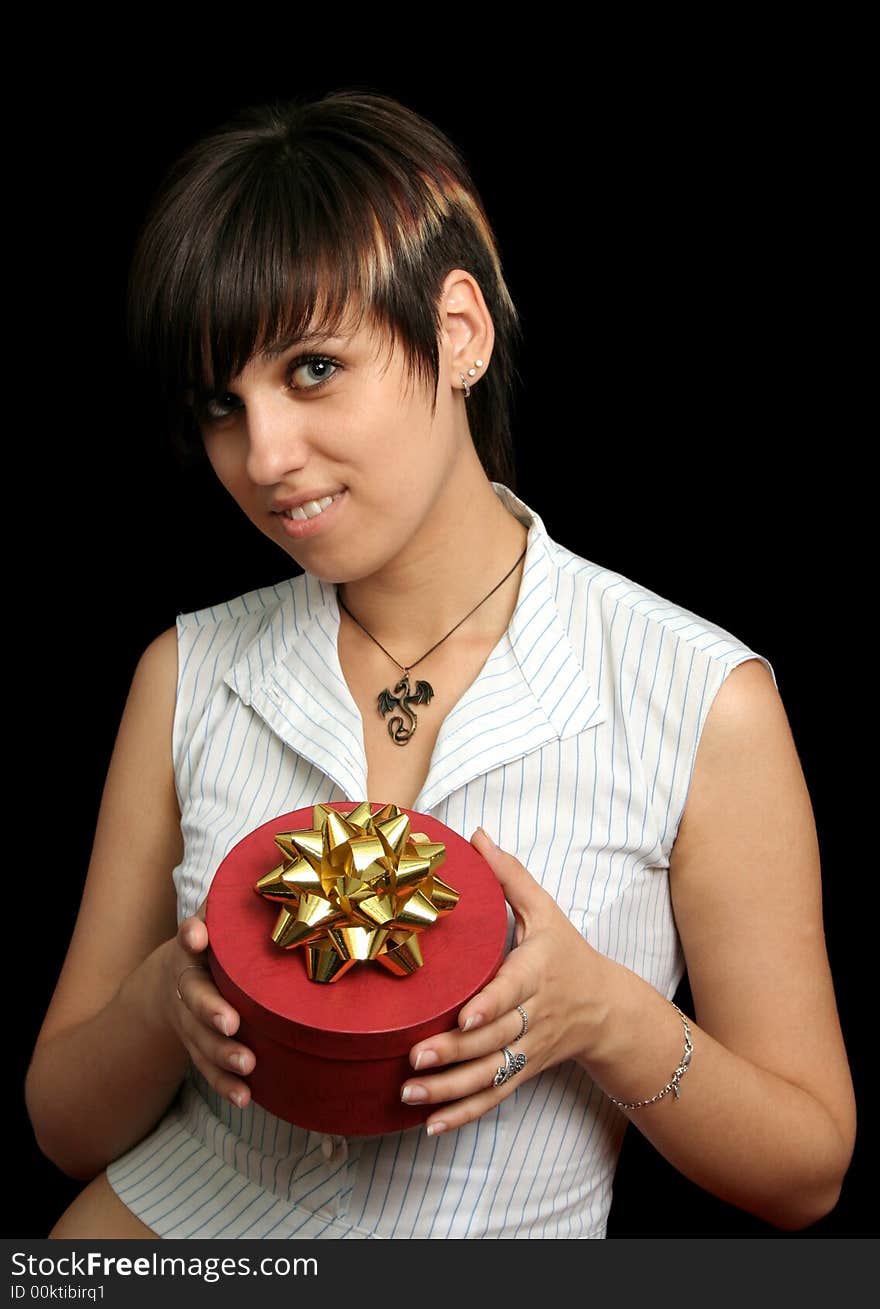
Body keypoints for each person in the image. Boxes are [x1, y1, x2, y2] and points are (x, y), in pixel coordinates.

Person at [25, 88, 856, 1240]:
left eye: (313, 370)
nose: (265, 458)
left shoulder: (699, 698)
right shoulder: (189, 670)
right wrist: (165, 998)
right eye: (223, 403)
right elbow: (64, 1126)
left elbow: (805, 1170)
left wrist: (605, 1018)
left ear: (457, 331)